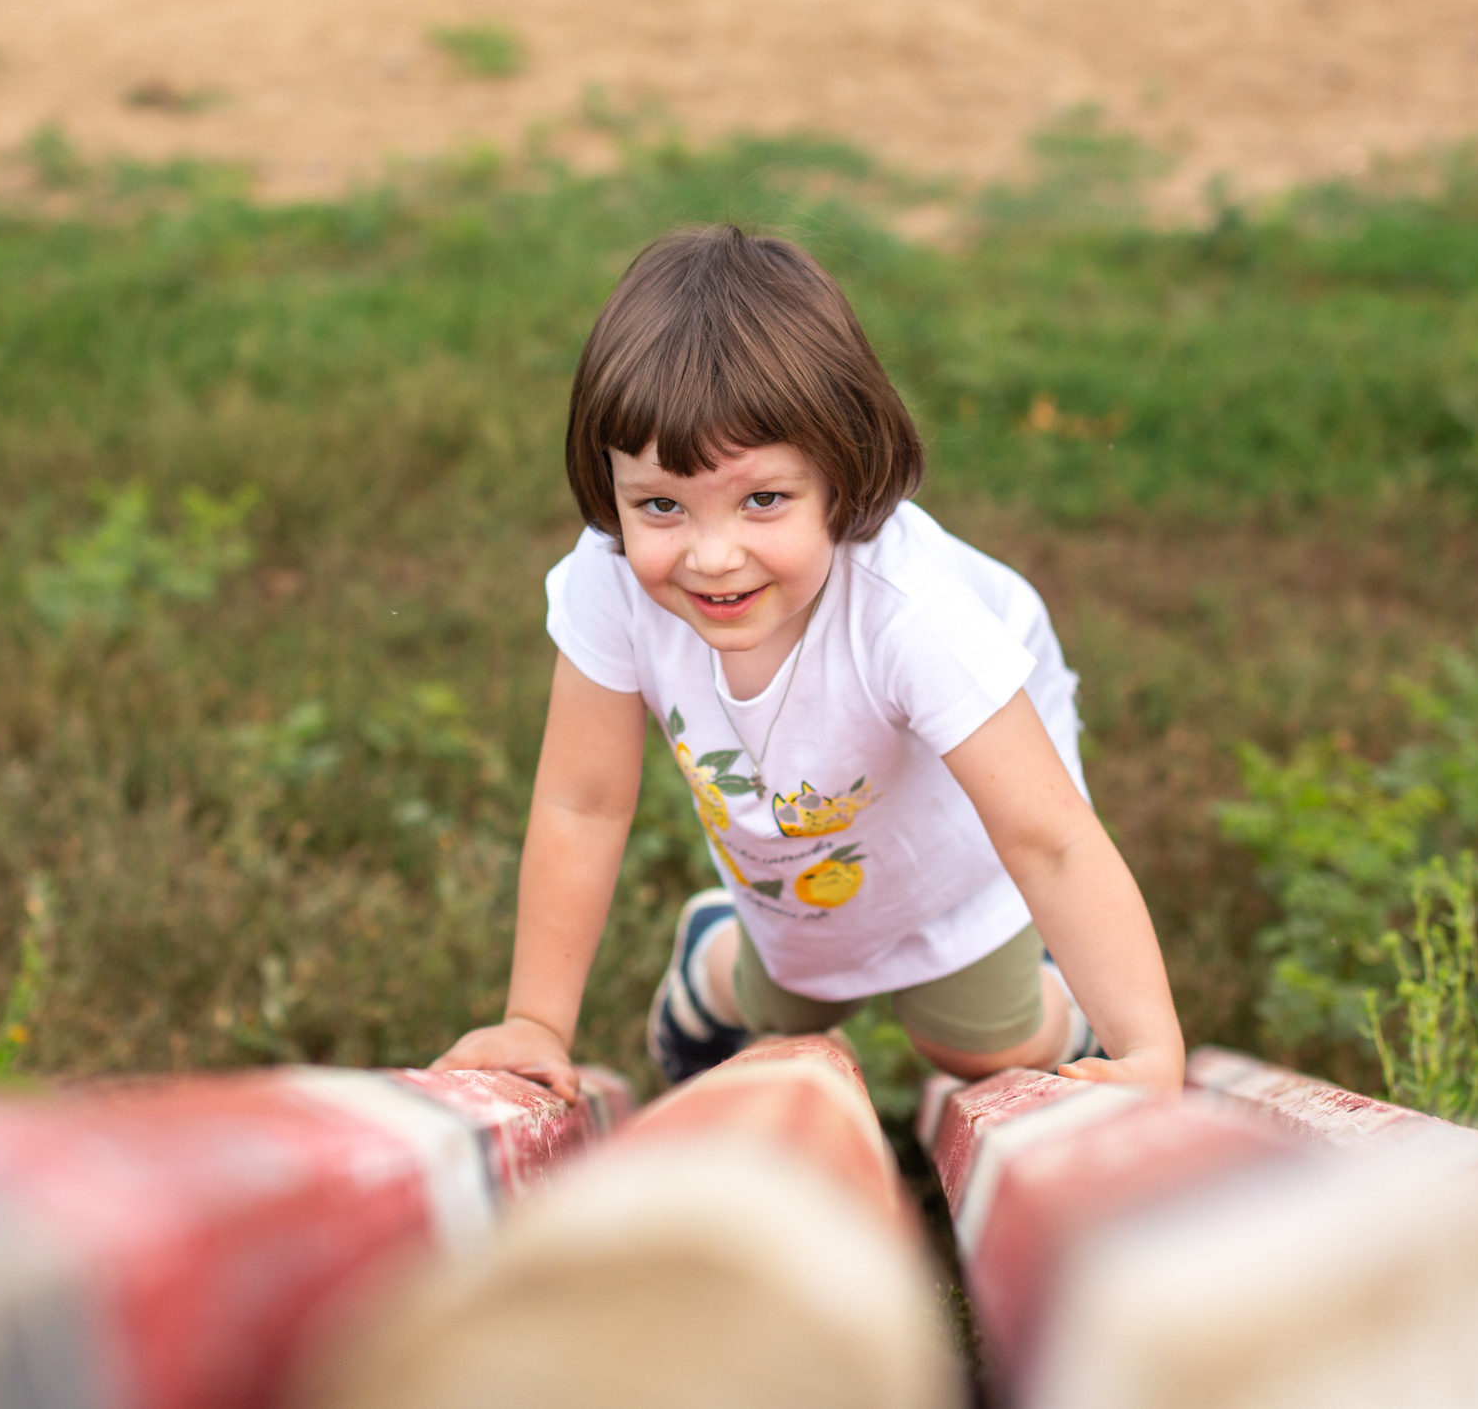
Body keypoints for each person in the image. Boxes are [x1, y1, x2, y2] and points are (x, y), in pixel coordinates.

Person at [432, 225, 1184, 1101]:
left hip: (960, 835)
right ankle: (712, 958)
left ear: (841, 472)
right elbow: (583, 801)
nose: (713, 556)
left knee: (978, 1042)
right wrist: (535, 1020)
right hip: (796, 848)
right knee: (787, 1006)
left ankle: (1072, 1017)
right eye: (662, 505)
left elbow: (1048, 841)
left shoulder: (911, 612)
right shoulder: (613, 580)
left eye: (763, 499)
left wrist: (1146, 1047)